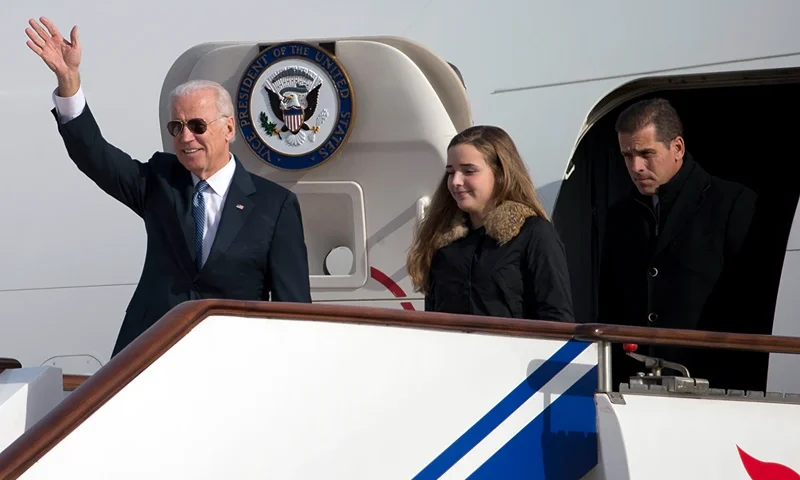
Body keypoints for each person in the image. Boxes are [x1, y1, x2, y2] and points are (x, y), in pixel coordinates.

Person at [25, 17, 312, 356]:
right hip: (151, 354)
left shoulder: (273, 206)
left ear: (229, 129)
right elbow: (94, 155)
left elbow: (293, 310)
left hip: (233, 360)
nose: (185, 137)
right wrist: (69, 81)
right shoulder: (160, 181)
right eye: (177, 127)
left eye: (197, 125)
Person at [597, 97, 758, 390]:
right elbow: (609, 302)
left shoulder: (733, 203)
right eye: (627, 156)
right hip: (633, 383)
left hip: (712, 381)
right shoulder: (620, 215)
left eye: (646, 153)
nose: (636, 166)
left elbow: (749, 303)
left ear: (678, 148)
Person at [407, 125, 574, 322]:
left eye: (469, 171)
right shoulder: (442, 240)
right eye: (451, 172)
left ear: (501, 174)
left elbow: (557, 318)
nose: (455, 182)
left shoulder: (534, 233)